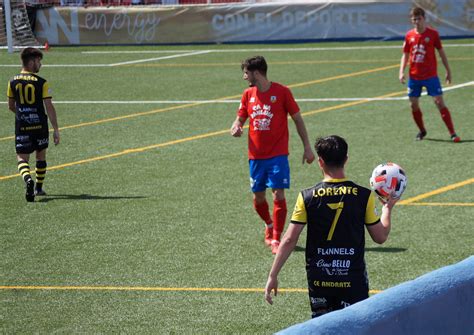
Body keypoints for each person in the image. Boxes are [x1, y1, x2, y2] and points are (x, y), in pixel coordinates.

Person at [264, 135, 398, 318]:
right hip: (352, 278)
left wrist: (273, 275)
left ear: (320, 162)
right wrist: (387, 209)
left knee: (323, 327)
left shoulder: (307, 197)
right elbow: (380, 237)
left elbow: (288, 239)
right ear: (346, 159)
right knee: (355, 326)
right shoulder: (364, 196)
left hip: (320, 278)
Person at [230, 55, 315, 254]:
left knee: (278, 193)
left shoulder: (283, 92)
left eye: (246, 73)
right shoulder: (247, 94)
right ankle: (269, 224)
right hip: (256, 157)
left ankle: (277, 237)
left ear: (256, 73)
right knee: (259, 197)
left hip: (278, 155)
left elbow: (298, 120)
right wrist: (235, 128)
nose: (244, 77)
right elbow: (238, 120)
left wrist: (307, 147)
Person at [399, 7, 460, 142]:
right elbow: (405, 55)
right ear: (411, 20)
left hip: (431, 76)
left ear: (424, 19)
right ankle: (422, 130)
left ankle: (453, 133)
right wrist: (401, 71)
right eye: (414, 19)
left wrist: (448, 71)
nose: (417, 22)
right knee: (413, 105)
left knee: (439, 102)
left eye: (419, 19)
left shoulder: (433, 34)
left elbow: (441, 52)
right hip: (414, 77)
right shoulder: (409, 35)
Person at [7, 47, 60, 202]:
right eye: (38, 61)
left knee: (22, 159)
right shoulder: (41, 82)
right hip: (40, 126)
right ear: (30, 62)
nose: (40, 65)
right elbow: (49, 106)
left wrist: (23, 115)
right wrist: (56, 129)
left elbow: (10, 106)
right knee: (40, 156)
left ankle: (28, 180)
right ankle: (38, 187)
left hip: (23, 126)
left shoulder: (12, 82)